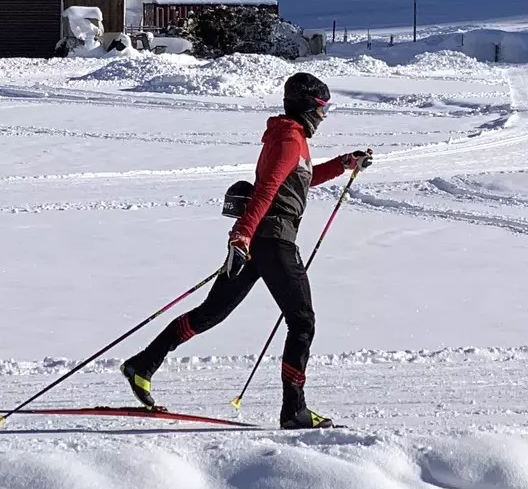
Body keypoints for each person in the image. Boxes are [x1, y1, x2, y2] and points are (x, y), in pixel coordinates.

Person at [122, 72, 372, 429]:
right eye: (322, 107)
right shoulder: (289, 138)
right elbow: (267, 189)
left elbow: (302, 179)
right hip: (272, 241)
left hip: (261, 240)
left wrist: (344, 163)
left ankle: (143, 365)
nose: (324, 115)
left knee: (211, 313)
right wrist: (240, 236)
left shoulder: (292, 137)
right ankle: (294, 410)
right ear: (305, 105)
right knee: (302, 322)